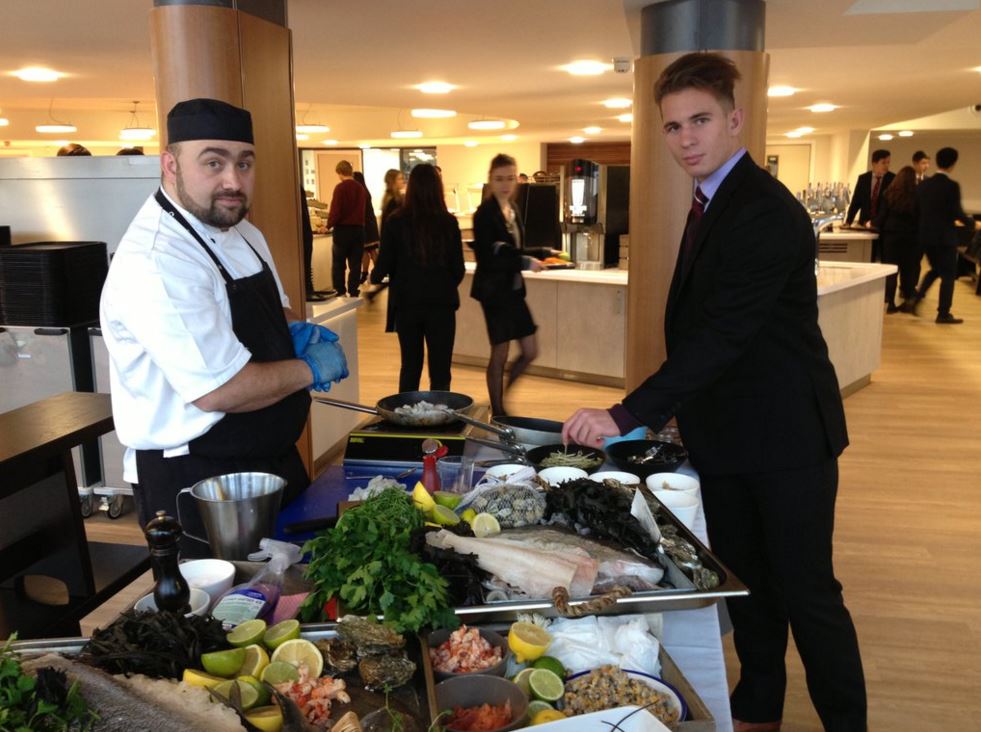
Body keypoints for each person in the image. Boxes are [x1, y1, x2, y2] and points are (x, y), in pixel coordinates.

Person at [561, 53, 866, 731]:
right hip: (728, 432)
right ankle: (758, 707)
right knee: (748, 588)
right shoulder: (712, 199)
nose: (685, 139)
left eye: (699, 120)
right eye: (671, 127)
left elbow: (723, 336)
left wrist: (626, 412)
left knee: (808, 594)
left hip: (786, 436)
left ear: (734, 119)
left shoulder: (762, 209)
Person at [100, 98, 348, 556]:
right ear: (170, 164)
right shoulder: (158, 260)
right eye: (213, 162)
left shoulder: (244, 232)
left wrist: (300, 332)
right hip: (197, 478)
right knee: (229, 617)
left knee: (298, 596)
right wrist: (310, 369)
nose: (233, 181)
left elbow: (277, 311)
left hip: (270, 457)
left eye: (244, 163)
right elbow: (220, 389)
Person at [470, 153, 556, 416]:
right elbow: (491, 255)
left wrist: (541, 251)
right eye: (499, 179)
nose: (505, 184)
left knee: (530, 351)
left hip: (514, 291)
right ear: (490, 181)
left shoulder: (513, 209)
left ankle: (501, 397)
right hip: (494, 292)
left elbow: (514, 249)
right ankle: (498, 411)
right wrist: (524, 262)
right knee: (500, 352)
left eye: (509, 178)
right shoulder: (483, 215)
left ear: (516, 179)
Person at [370, 164, 464, 391]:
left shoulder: (395, 221)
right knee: (441, 370)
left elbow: (383, 267)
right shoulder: (449, 223)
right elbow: (458, 269)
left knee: (410, 366)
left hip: (406, 304)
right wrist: (443, 284)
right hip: (442, 305)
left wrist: (375, 276)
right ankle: (440, 419)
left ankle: (406, 421)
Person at [912, 146, 980, 324]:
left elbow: (918, 210)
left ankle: (916, 298)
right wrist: (974, 224)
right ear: (953, 164)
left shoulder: (924, 185)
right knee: (949, 275)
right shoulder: (951, 186)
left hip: (926, 236)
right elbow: (957, 212)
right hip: (944, 238)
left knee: (935, 270)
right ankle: (943, 313)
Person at [873, 166, 920, 313]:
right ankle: (907, 301)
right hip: (911, 238)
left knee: (891, 270)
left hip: (891, 237)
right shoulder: (917, 195)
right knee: (908, 270)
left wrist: (872, 223)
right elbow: (920, 218)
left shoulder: (889, 194)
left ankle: (891, 303)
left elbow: (881, 217)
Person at [327, 160, 367, 297]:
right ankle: (353, 289)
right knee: (355, 263)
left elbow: (336, 210)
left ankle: (340, 290)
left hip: (342, 231)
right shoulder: (360, 188)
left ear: (340, 172)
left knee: (339, 262)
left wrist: (328, 225)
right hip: (358, 230)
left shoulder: (340, 188)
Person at [845, 148, 894, 226]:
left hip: (883, 226)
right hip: (864, 223)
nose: (887, 165)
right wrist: (848, 222)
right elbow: (856, 202)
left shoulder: (892, 179)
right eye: (883, 162)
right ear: (874, 163)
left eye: (888, 162)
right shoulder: (863, 179)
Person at [353, 171, 380, 285]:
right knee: (368, 250)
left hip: (366, 226)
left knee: (369, 250)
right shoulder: (365, 191)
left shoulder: (360, 192)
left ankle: (376, 272)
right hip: (370, 224)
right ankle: (366, 273)